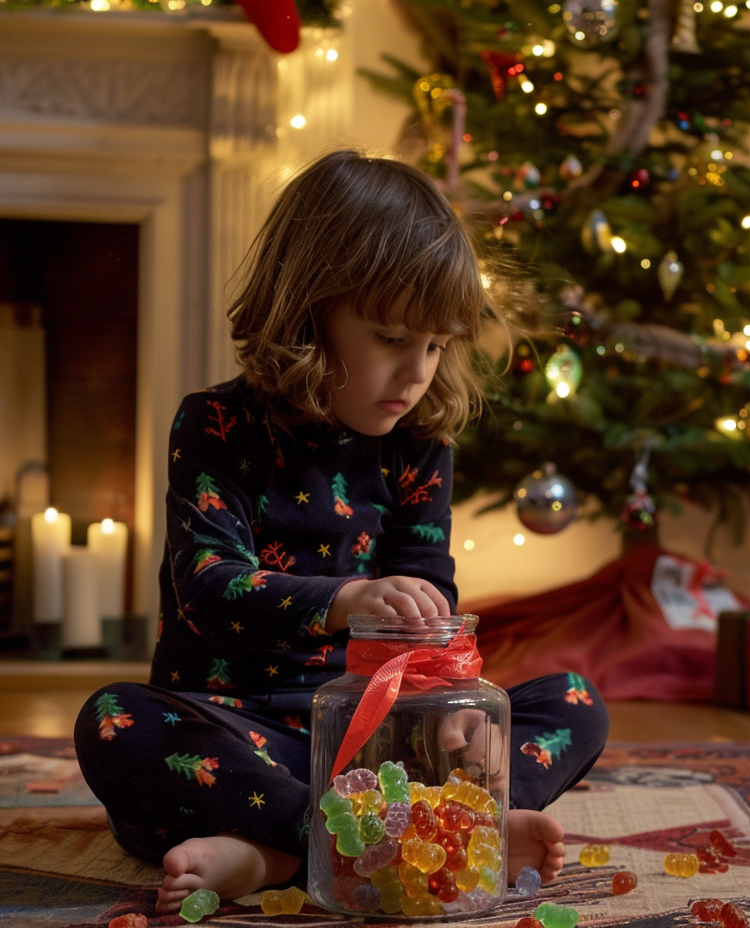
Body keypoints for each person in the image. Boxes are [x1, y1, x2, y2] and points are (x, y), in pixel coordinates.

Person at [72, 150, 609, 915]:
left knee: (576, 699)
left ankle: (427, 826)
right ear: (307, 311)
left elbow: (430, 585)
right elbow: (208, 589)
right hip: (240, 736)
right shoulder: (215, 424)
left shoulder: (420, 442)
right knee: (115, 722)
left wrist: (453, 703)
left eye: (436, 346)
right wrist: (349, 599)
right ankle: (320, 837)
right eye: (393, 339)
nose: (418, 373)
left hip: (378, 745)